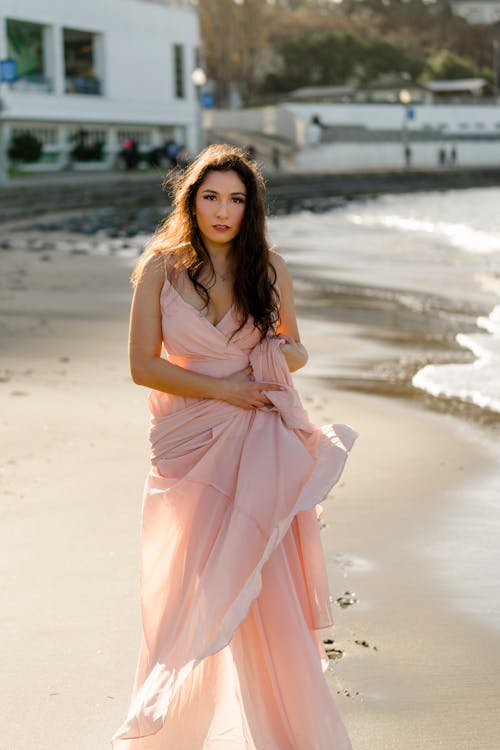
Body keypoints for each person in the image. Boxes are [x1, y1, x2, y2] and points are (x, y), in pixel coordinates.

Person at [111, 144, 357, 749]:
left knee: (267, 592)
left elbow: (295, 347)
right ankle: (167, 736)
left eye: (237, 199)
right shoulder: (159, 269)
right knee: (184, 597)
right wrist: (225, 389)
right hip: (189, 448)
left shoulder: (267, 267)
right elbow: (143, 365)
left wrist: (270, 358)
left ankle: (292, 736)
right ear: (190, 200)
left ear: (252, 207)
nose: (223, 211)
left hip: (257, 441)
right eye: (211, 196)